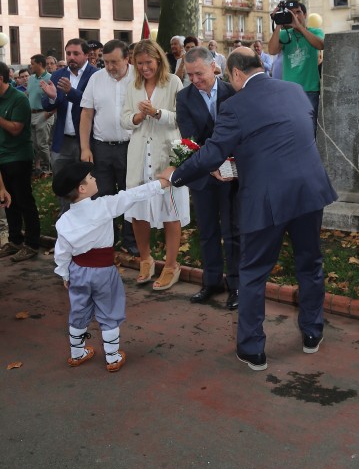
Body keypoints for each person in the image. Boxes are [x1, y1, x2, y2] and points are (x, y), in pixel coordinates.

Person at [158, 48, 337, 371]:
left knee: (253, 272)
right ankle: (313, 333)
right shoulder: (295, 90)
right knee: (310, 264)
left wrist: (177, 174)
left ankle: (253, 349)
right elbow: (291, 134)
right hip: (309, 191)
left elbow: (213, 152)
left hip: (267, 198)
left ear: (236, 74)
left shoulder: (235, 105)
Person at [52, 161, 171, 372]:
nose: (95, 178)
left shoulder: (64, 220)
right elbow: (133, 195)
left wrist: (64, 274)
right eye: (90, 177)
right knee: (109, 310)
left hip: (78, 272)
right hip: (104, 272)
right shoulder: (104, 206)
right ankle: (113, 357)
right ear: (82, 189)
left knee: (79, 310)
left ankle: (77, 353)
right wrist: (161, 183)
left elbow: (62, 253)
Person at [121, 39, 190, 291]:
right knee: (139, 210)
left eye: (148, 62)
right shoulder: (133, 86)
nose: (144, 68)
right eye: (139, 64)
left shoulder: (173, 82)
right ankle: (145, 259)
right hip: (140, 154)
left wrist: (157, 112)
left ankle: (171, 265)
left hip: (165, 154)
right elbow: (125, 119)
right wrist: (138, 116)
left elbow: (180, 117)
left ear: (158, 60)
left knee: (170, 210)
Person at [176, 46, 239, 309]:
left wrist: (229, 164)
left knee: (233, 231)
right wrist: (210, 166)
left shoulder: (233, 91)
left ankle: (236, 285)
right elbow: (188, 139)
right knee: (207, 231)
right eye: (190, 75)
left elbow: (240, 131)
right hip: (203, 174)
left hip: (233, 175)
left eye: (199, 73)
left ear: (214, 66)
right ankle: (211, 282)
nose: (194, 80)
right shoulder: (183, 97)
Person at [79, 39, 139, 257]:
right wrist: (85, 148)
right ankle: (108, 239)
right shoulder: (96, 78)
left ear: (126, 58)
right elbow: (86, 114)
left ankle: (132, 241)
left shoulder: (139, 77)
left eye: (115, 62)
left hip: (131, 146)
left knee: (129, 194)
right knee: (103, 195)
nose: (110, 67)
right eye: (106, 62)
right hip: (101, 147)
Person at [40, 38, 99, 213]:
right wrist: (51, 97)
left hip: (86, 142)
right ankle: (66, 222)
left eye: (76, 53)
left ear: (87, 55)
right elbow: (48, 104)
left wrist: (70, 92)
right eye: (68, 53)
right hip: (62, 140)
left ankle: (89, 224)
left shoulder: (95, 75)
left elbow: (93, 104)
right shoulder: (58, 75)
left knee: (87, 184)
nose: (71, 57)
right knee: (63, 185)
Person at [0, 62, 41, 262]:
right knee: (7, 201)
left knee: (24, 200)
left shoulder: (18, 99)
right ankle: (15, 240)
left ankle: (33, 243)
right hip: (1, 157)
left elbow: (16, 128)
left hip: (18, 157)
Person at [267, 1, 324, 135]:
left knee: (310, 129)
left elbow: (320, 45)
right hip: (289, 91)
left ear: (305, 14)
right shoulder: (285, 34)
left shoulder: (315, 32)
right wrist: (278, 25)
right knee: (291, 127)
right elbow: (272, 50)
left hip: (310, 89)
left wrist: (300, 28)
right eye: (291, 12)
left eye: (298, 12)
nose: (295, 16)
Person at [27, 54, 53, 177]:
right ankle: (38, 168)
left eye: (33, 63)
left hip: (44, 113)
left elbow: (56, 98)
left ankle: (47, 168)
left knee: (42, 144)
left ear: (40, 64)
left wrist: (50, 113)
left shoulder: (50, 78)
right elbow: (28, 94)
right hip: (31, 114)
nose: (30, 66)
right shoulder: (31, 78)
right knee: (33, 144)